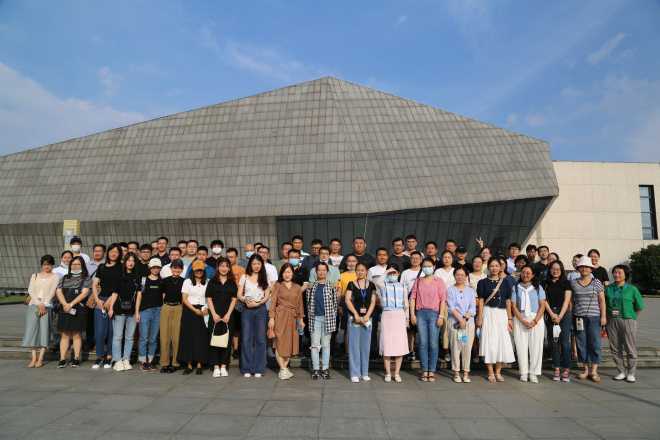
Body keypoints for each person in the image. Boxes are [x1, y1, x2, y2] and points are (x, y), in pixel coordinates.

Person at [476, 257, 515, 383]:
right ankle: (490, 372)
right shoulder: (482, 282)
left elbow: (508, 301)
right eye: (492, 266)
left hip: (502, 315)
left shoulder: (506, 282)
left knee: (501, 343)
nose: (494, 268)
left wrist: (510, 318)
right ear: (488, 267)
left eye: (496, 266)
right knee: (489, 342)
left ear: (500, 267)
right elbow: (481, 301)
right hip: (488, 313)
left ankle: (498, 371)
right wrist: (480, 317)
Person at [605, 265, 645, 383]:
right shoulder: (608, 288)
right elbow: (604, 304)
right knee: (615, 347)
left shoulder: (632, 289)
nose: (616, 275)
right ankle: (621, 371)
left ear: (625, 275)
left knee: (630, 347)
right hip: (612, 320)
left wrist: (632, 317)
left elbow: (639, 306)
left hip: (627, 320)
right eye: (615, 272)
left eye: (619, 273)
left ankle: (631, 373)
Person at [410, 257, 447, 382]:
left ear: (434, 267)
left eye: (429, 266)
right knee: (422, 343)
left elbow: (443, 300)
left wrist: (441, 316)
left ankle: (432, 370)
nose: (427, 268)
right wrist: (412, 314)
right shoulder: (418, 281)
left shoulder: (439, 281)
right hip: (421, 313)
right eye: (424, 266)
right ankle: (424, 369)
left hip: (434, 314)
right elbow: (413, 298)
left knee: (433, 343)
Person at [571, 255, 606, 382]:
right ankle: (585, 369)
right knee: (581, 343)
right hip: (579, 317)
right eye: (581, 267)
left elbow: (602, 300)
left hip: (594, 317)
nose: (584, 269)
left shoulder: (596, 282)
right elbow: (571, 301)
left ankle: (594, 370)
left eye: (587, 267)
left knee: (595, 343)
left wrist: (603, 316)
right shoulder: (573, 283)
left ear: (591, 269)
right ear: (578, 269)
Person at [237, 254, 271, 378]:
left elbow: (267, 295)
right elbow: (239, 294)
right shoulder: (244, 277)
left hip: (260, 309)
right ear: (250, 265)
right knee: (246, 338)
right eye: (254, 264)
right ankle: (247, 368)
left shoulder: (265, 277)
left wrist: (259, 303)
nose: (256, 266)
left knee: (260, 339)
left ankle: (259, 368)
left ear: (261, 265)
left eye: (258, 264)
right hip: (247, 309)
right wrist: (245, 300)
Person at [268, 263, 305, 380]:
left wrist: (301, 319)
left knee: (290, 343)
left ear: (292, 273)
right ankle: (283, 369)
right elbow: (273, 303)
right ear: (281, 273)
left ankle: (284, 369)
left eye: (289, 272)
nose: (287, 274)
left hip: (293, 318)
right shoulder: (277, 285)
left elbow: (300, 304)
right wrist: (271, 318)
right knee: (279, 342)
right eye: (285, 272)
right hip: (280, 315)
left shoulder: (297, 287)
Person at [511, 266, 546, 383]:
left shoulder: (538, 287)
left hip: (535, 319)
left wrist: (535, 321)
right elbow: (513, 306)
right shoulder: (516, 287)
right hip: (520, 319)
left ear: (532, 275)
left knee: (536, 347)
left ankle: (533, 373)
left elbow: (542, 305)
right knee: (521, 346)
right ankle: (524, 372)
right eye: (523, 272)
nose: (525, 275)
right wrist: (522, 320)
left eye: (528, 273)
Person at [22, 255, 59, 368]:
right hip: (34, 305)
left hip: (47, 306)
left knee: (44, 331)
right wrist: (39, 304)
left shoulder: (55, 277)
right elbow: (31, 290)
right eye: (44, 264)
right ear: (41, 265)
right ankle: (34, 358)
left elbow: (52, 292)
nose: (46, 266)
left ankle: (41, 358)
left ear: (52, 265)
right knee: (32, 330)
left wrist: (44, 304)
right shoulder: (35, 275)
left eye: (49, 264)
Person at [54, 256, 91, 368]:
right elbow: (58, 291)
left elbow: (84, 293)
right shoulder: (64, 278)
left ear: (82, 266)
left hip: (78, 309)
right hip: (64, 309)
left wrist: (71, 304)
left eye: (78, 264)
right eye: (73, 264)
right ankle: (62, 359)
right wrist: (65, 304)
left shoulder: (86, 278)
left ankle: (76, 358)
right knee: (65, 334)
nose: (75, 266)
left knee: (76, 334)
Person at [375, 265, 409, 383]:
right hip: (387, 314)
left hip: (399, 315)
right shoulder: (383, 285)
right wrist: (387, 272)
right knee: (387, 343)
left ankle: (397, 373)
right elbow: (377, 281)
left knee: (400, 344)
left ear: (398, 274)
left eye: (395, 273)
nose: (392, 275)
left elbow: (406, 303)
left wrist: (407, 318)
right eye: (391, 273)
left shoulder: (403, 286)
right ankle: (388, 373)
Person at [91, 244, 123, 369]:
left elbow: (119, 286)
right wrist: (97, 299)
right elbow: (94, 284)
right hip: (100, 300)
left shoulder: (121, 267)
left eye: (116, 252)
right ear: (108, 253)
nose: (113, 253)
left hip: (114, 301)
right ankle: (99, 356)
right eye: (111, 251)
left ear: (119, 254)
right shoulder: (102, 267)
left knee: (111, 331)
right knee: (99, 331)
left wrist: (110, 301)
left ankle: (109, 356)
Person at [345, 263, 377, 383]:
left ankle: (364, 372)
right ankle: (355, 373)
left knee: (365, 346)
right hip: (354, 318)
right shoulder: (351, 284)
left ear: (366, 271)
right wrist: (356, 314)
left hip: (367, 319)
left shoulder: (371, 285)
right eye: (358, 270)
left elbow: (373, 301)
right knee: (354, 346)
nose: (360, 272)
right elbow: (347, 300)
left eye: (362, 270)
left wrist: (367, 315)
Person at [108, 253, 140, 372]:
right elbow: (114, 293)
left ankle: (126, 359)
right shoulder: (119, 276)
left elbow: (139, 296)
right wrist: (111, 308)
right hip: (119, 310)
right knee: (117, 336)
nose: (130, 263)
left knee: (130, 337)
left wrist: (137, 312)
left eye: (133, 261)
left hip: (132, 311)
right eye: (128, 260)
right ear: (125, 262)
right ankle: (117, 360)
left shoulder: (137, 277)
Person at [306, 262, 338, 380]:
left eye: (324, 270)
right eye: (319, 270)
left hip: (327, 319)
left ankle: (325, 369)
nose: (321, 272)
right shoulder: (311, 287)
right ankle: (315, 369)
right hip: (315, 319)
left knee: (326, 345)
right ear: (316, 272)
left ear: (327, 272)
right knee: (315, 345)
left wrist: (332, 317)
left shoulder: (332, 286)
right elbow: (308, 303)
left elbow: (335, 304)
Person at [206, 257, 238, 378]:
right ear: (218, 267)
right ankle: (215, 366)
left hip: (228, 316)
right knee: (214, 340)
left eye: (226, 266)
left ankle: (224, 366)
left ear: (229, 268)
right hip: (215, 315)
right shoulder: (212, 281)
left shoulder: (232, 282)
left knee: (227, 341)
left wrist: (228, 314)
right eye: (221, 266)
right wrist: (214, 314)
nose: (224, 268)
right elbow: (209, 298)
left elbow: (234, 299)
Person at [178, 260, 210, 375]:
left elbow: (209, 298)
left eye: (201, 270)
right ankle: (189, 364)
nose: (199, 272)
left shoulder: (208, 282)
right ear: (193, 271)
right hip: (190, 310)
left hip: (203, 310)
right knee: (188, 337)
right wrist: (194, 310)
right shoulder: (187, 282)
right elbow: (184, 299)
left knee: (201, 337)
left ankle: (200, 364)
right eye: (197, 270)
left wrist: (206, 308)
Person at [543, 260, 573, 382]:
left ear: (561, 270)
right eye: (553, 269)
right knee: (554, 342)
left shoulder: (566, 283)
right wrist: (551, 314)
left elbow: (567, 300)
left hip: (564, 314)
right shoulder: (545, 283)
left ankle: (566, 368)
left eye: (558, 269)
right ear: (549, 270)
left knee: (565, 342)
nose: (555, 271)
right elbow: (544, 300)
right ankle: (556, 367)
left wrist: (560, 316)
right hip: (551, 313)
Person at [447, 267, 477, 383]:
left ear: (466, 277)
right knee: (456, 347)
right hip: (456, 323)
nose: (460, 277)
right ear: (454, 276)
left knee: (466, 347)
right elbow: (451, 307)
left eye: (462, 275)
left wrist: (465, 318)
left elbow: (473, 307)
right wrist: (460, 319)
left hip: (467, 323)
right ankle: (456, 372)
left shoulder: (471, 291)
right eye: (457, 274)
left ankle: (465, 372)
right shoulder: (450, 290)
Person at [135, 258, 163, 371]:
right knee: (143, 338)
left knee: (153, 338)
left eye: (157, 268)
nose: (155, 269)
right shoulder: (143, 280)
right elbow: (139, 296)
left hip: (158, 311)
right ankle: (143, 361)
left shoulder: (162, 281)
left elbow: (163, 297)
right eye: (153, 267)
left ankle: (150, 361)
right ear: (150, 268)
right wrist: (137, 312)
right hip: (145, 311)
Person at [159, 259, 185, 373]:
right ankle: (164, 363)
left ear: (182, 269)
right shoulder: (165, 281)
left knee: (176, 336)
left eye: (179, 268)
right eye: (174, 267)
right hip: (166, 307)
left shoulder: (184, 281)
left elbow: (184, 297)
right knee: (164, 336)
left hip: (178, 307)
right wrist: (163, 306)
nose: (176, 270)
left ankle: (175, 362)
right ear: (171, 268)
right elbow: (162, 295)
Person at [226, 247, 245, 357]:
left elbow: (244, 285)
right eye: (228, 257)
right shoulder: (223, 269)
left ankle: (237, 348)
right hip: (227, 301)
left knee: (238, 326)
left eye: (232, 257)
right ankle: (231, 348)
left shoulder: (241, 270)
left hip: (239, 302)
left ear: (236, 257)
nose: (230, 259)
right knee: (229, 326)